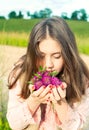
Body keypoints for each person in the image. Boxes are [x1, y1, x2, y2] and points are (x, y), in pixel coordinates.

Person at [6, 17, 89, 130]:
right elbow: (14, 124)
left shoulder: (81, 80)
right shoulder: (20, 74)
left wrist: (61, 103)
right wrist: (33, 101)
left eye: (56, 56)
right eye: (41, 56)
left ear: (68, 54)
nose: (48, 64)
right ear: (32, 53)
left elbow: (79, 126)